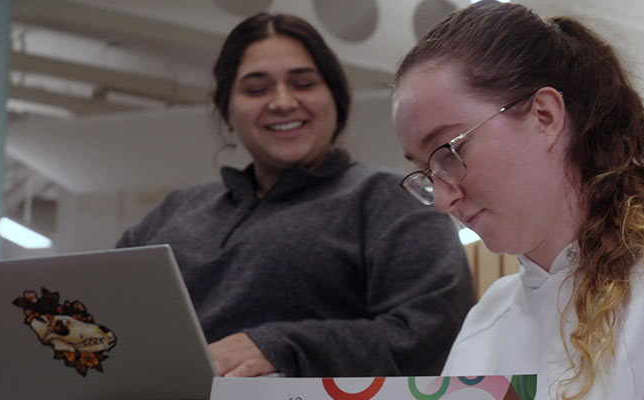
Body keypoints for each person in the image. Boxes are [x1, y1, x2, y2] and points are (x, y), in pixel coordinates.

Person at [391, 3, 644, 399]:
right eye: (427, 171)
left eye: (448, 152)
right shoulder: (489, 316)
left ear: (544, 116)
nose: (443, 200)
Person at [115, 13, 474, 378]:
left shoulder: (390, 199)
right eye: (256, 90)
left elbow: (434, 334)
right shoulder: (173, 212)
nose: (283, 102)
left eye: (303, 83)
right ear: (227, 112)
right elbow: (101, 317)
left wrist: (283, 348)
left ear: (335, 98)